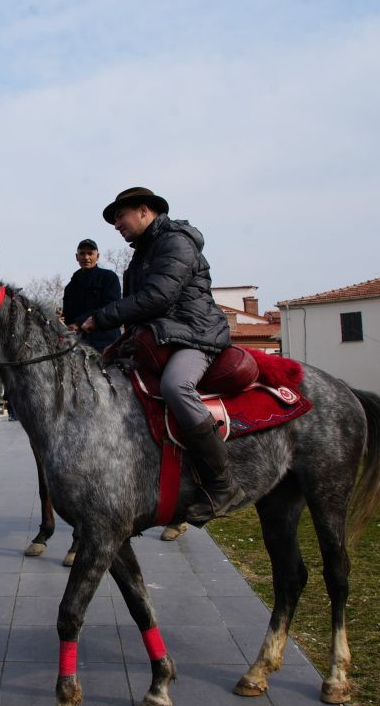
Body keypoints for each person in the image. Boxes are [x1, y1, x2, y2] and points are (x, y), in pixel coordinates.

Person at [81, 187, 245, 525]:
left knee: (175, 386)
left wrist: (101, 318)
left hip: (195, 335)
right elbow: (143, 310)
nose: (116, 225)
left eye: (120, 217)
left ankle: (224, 485)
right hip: (163, 336)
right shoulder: (143, 253)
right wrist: (120, 344)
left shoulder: (175, 242)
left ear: (143, 210)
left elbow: (158, 296)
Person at [62, 238, 122, 352]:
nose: (86, 257)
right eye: (82, 253)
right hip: (77, 346)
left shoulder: (109, 278)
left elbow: (110, 307)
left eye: (90, 253)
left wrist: (79, 323)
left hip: (106, 345)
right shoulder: (70, 287)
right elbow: (68, 318)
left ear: (97, 256)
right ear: (77, 257)